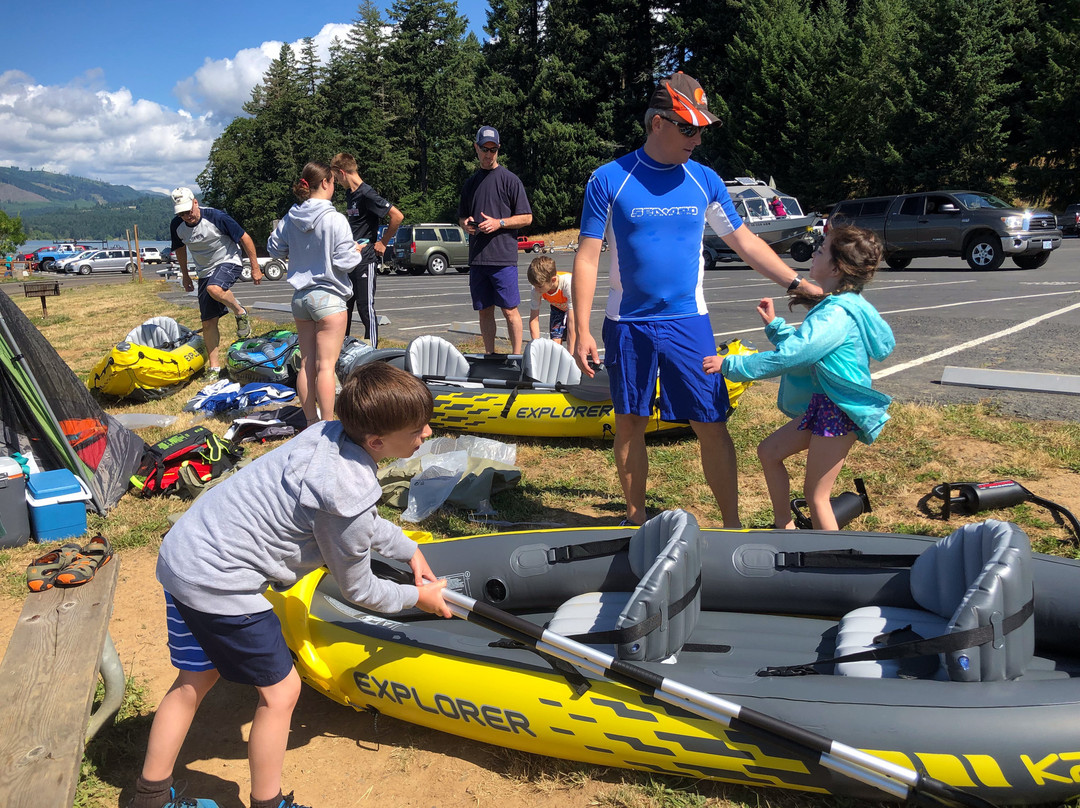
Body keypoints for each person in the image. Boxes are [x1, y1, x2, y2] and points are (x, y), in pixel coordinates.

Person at [129, 362, 452, 808]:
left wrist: (407, 548)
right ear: (377, 443)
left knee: (194, 678)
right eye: (417, 430)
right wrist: (421, 597)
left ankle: (147, 797)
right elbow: (361, 590)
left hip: (184, 554)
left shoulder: (328, 434)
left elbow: (361, 522)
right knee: (282, 693)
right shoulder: (345, 492)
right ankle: (269, 803)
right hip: (223, 582)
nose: (427, 433)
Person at [571, 72, 823, 528]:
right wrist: (581, 327)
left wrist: (795, 283)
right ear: (656, 123)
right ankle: (634, 518)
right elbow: (587, 257)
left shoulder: (704, 179)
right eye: (688, 128)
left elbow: (744, 240)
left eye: (702, 129)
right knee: (630, 422)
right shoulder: (609, 180)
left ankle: (731, 525)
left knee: (711, 423)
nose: (697, 138)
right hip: (627, 324)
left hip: (690, 323)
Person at [708, 223, 895, 530]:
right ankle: (785, 527)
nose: (814, 252)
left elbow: (795, 355)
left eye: (820, 250)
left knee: (816, 496)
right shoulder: (837, 307)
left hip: (839, 411)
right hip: (826, 406)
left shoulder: (836, 314)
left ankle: (832, 561)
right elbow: (806, 348)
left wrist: (732, 364)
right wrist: (775, 327)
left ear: (836, 267)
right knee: (769, 452)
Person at [268, 162, 364, 424]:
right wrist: (356, 251)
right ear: (325, 183)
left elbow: (274, 248)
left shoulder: (291, 217)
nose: (334, 187)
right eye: (332, 182)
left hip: (300, 298)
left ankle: (310, 422)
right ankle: (327, 425)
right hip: (328, 298)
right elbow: (345, 262)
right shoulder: (335, 219)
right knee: (326, 367)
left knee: (307, 364)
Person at [458, 125, 533, 356]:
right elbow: (462, 216)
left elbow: (527, 218)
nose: (489, 154)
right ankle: (489, 355)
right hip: (478, 258)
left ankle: (516, 357)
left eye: (493, 149)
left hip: (502, 258)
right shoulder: (470, 183)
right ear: (476, 148)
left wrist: (499, 223)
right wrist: (466, 223)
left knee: (510, 310)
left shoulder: (510, 180)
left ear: (499, 149)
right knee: (484, 311)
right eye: (484, 149)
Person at [169, 187, 261, 373]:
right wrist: (186, 275)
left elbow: (245, 238)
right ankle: (214, 368)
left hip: (229, 260)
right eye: (182, 214)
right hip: (204, 271)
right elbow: (179, 250)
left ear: (195, 202)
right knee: (208, 322)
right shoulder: (176, 225)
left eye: (189, 211)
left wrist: (255, 267)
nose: (187, 216)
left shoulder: (216, 217)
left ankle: (239, 311)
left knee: (214, 288)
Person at [330, 152, 404, 347]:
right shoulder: (350, 194)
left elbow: (397, 216)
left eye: (336, 177)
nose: (336, 182)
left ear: (342, 172)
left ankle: (373, 351)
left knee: (365, 307)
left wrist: (383, 242)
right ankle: (341, 347)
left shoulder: (367, 193)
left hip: (365, 259)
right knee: (345, 305)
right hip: (349, 259)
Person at [526, 255, 575, 354]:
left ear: (553, 280)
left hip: (575, 308)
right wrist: (537, 347)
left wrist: (571, 354)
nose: (536, 290)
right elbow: (534, 319)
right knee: (555, 342)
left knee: (574, 339)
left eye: (539, 287)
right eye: (534, 286)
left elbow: (572, 322)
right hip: (557, 307)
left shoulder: (568, 283)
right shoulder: (537, 288)